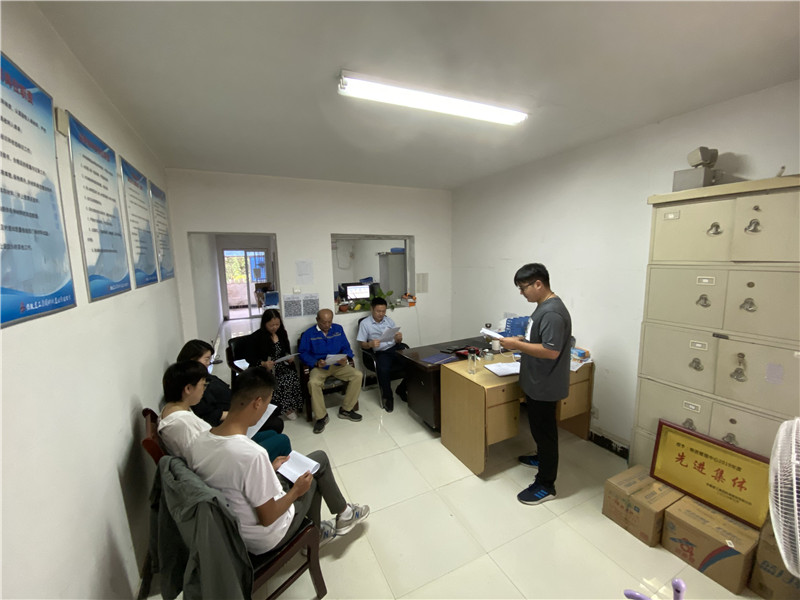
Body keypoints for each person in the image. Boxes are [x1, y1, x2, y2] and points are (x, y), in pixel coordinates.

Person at [185, 366, 369, 554]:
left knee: (317, 459)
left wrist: (270, 468)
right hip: (266, 537)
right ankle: (318, 533)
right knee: (311, 476)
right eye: (267, 404)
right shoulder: (252, 454)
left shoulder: (199, 440)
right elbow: (268, 517)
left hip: (235, 526)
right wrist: (296, 491)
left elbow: (234, 480)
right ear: (257, 403)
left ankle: (342, 515)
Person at [499, 263, 572, 506]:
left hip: (545, 384)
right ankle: (541, 458)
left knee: (546, 433)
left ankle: (546, 485)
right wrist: (521, 339)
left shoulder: (552, 313)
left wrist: (517, 345)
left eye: (523, 288)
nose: (522, 293)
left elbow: (551, 351)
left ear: (538, 284)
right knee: (539, 429)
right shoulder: (543, 307)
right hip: (536, 381)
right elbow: (539, 340)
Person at [159, 360, 291, 461]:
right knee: (282, 440)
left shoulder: (175, 409)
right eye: (203, 385)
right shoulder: (181, 424)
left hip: (220, 447)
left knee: (271, 433)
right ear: (188, 389)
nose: (204, 389)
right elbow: (203, 460)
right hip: (225, 458)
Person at [176, 339, 284, 434]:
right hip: (232, 416)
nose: (209, 363)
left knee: (275, 406)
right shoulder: (196, 387)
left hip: (236, 404)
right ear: (193, 360)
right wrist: (241, 414)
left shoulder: (204, 376)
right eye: (206, 359)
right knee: (276, 423)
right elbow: (210, 416)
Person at [299, 309, 363, 434]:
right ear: (317, 320)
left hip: (338, 365)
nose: (327, 325)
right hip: (320, 367)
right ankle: (321, 417)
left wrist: (346, 358)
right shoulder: (309, 333)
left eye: (329, 322)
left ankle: (346, 410)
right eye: (324, 322)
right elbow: (303, 353)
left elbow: (346, 347)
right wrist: (315, 362)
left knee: (357, 375)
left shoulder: (338, 329)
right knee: (313, 383)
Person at [245, 309, 304, 420]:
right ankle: (281, 409)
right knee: (279, 380)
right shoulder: (257, 337)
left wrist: (288, 356)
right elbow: (250, 357)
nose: (275, 327)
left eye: (277, 324)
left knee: (292, 375)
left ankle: (290, 405)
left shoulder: (282, 333)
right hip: (264, 368)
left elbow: (286, 350)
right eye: (271, 325)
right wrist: (263, 363)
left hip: (281, 364)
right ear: (265, 324)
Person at [356, 297, 408, 412]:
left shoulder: (388, 320)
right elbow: (361, 344)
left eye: (383, 311)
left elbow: (398, 340)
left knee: (413, 363)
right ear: (372, 309)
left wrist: (399, 338)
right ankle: (387, 397)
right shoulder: (365, 324)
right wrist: (369, 344)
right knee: (383, 369)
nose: (381, 314)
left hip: (394, 348)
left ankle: (401, 389)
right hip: (381, 352)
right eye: (378, 311)